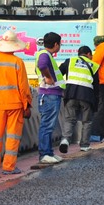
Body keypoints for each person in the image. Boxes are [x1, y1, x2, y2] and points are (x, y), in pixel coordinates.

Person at [0, 30, 32, 175]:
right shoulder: (17, 62)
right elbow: (23, 87)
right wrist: (27, 105)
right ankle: (8, 167)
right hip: (15, 105)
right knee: (13, 136)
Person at [57, 45, 100, 153]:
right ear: (89, 54)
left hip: (71, 93)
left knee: (69, 119)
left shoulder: (70, 61)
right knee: (87, 121)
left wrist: (62, 87)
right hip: (87, 95)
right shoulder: (93, 65)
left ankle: (65, 140)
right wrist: (96, 100)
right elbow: (96, 86)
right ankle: (84, 145)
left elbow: (58, 73)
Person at [35, 32, 65, 164]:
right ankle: (44, 154)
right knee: (47, 125)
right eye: (60, 43)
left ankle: (48, 152)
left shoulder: (45, 55)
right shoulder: (44, 55)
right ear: (56, 44)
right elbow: (42, 66)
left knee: (49, 125)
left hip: (51, 94)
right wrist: (48, 77)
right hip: (49, 94)